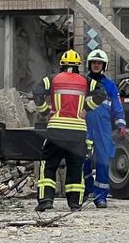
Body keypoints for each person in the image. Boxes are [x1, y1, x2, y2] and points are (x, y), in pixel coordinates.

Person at [32, 49, 106, 212]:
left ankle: (46, 200)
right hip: (78, 131)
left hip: (56, 129)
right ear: (78, 65)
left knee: (49, 164)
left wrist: (45, 112)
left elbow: (37, 92)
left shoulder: (52, 79)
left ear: (62, 65)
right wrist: (87, 107)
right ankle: (74, 203)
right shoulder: (86, 81)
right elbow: (102, 93)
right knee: (75, 167)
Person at [83, 49, 126, 208]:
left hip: (104, 126)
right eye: (94, 62)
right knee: (83, 159)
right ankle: (87, 190)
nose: (96, 65)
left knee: (103, 160)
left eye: (99, 63)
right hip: (85, 125)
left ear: (104, 66)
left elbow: (117, 105)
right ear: (89, 64)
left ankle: (101, 197)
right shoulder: (83, 82)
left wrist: (121, 123)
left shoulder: (110, 85)